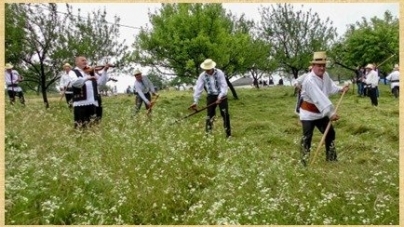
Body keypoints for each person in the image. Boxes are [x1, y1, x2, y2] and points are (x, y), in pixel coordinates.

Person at [299, 51, 349, 166]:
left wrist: (341, 89)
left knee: (330, 133)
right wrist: (331, 113)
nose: (321, 68)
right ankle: (303, 162)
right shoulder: (309, 80)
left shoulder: (325, 75)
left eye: (323, 65)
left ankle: (331, 159)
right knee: (307, 137)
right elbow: (319, 98)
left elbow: (331, 86)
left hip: (321, 113)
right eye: (319, 65)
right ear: (313, 66)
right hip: (308, 113)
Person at [190, 58, 231, 138]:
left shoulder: (219, 73)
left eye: (208, 69)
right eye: (206, 69)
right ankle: (208, 135)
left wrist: (220, 97)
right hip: (211, 96)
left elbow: (224, 86)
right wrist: (195, 101)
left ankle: (228, 135)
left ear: (212, 67)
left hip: (222, 95)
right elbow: (199, 88)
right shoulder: (202, 76)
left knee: (225, 114)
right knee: (209, 116)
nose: (207, 71)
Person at [67, 56, 110, 128]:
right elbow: (75, 83)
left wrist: (105, 70)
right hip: (80, 103)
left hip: (92, 102)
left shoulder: (91, 71)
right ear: (77, 62)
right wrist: (87, 78)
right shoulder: (73, 72)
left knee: (92, 126)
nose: (85, 62)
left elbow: (100, 83)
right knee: (80, 126)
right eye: (82, 60)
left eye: (86, 60)